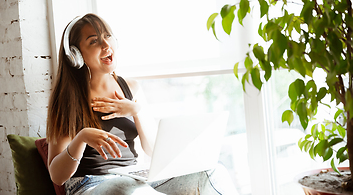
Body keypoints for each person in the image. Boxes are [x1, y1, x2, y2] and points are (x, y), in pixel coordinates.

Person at [46, 13, 234, 195]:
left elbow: (152, 150)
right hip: (90, 183)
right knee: (132, 190)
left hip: (134, 176)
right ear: (76, 55)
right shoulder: (67, 99)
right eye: (94, 41)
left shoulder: (131, 88)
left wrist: (137, 111)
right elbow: (57, 176)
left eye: (108, 36)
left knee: (212, 172)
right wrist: (81, 138)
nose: (106, 44)